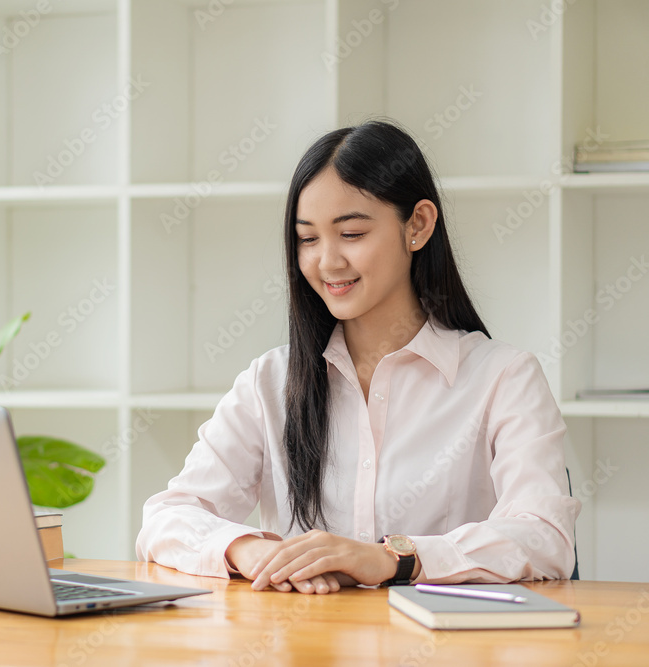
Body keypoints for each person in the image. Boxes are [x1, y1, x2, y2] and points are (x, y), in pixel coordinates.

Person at [135, 119, 581, 595]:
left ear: (418, 225)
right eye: (308, 239)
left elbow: (544, 537)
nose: (327, 261)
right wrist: (252, 550)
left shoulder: (503, 377)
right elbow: (167, 517)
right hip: (307, 646)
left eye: (350, 233)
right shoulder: (270, 382)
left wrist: (393, 560)